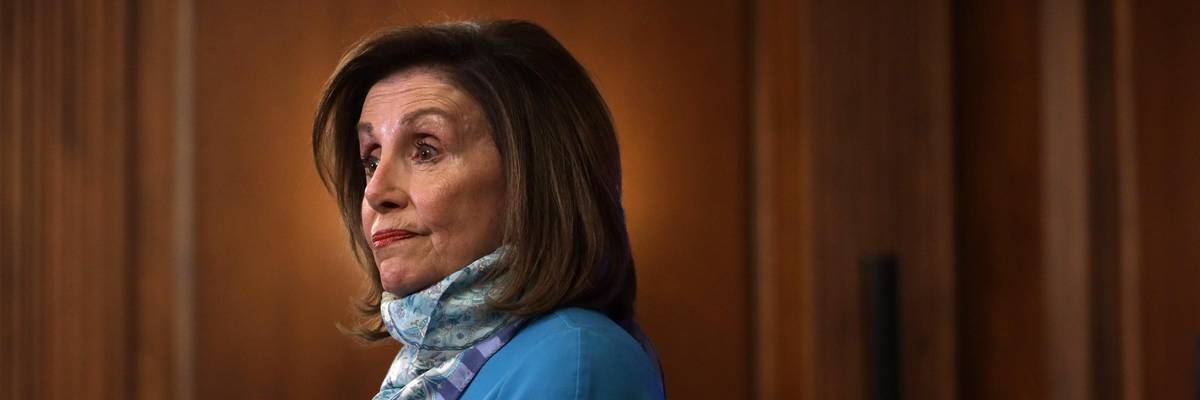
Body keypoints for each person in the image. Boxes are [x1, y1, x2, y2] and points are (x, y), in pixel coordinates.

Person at [312, 20, 665, 400]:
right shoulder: (430, 367)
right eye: (371, 160)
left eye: (426, 150)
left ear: (532, 176)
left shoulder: (576, 360)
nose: (376, 191)